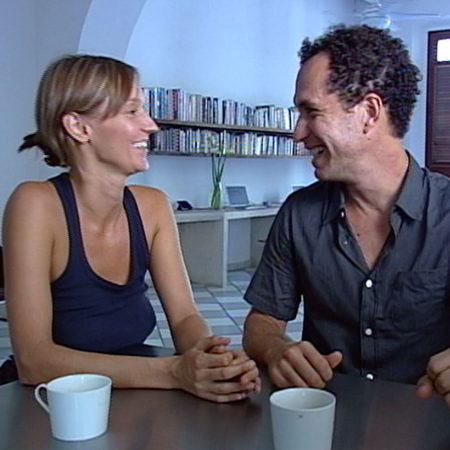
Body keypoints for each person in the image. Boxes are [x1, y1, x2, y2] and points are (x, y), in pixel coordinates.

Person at [2, 54, 260, 402]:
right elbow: (33, 361)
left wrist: (210, 360)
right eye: (132, 111)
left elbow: (185, 317)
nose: (151, 126)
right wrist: (174, 372)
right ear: (79, 127)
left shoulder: (153, 206)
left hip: (130, 395)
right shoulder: (35, 205)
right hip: (48, 404)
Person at [243, 25, 450, 406]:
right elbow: (261, 322)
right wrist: (276, 349)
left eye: (311, 112)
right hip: (324, 419)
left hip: (427, 421)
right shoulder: (298, 214)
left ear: (369, 113)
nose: (298, 133)